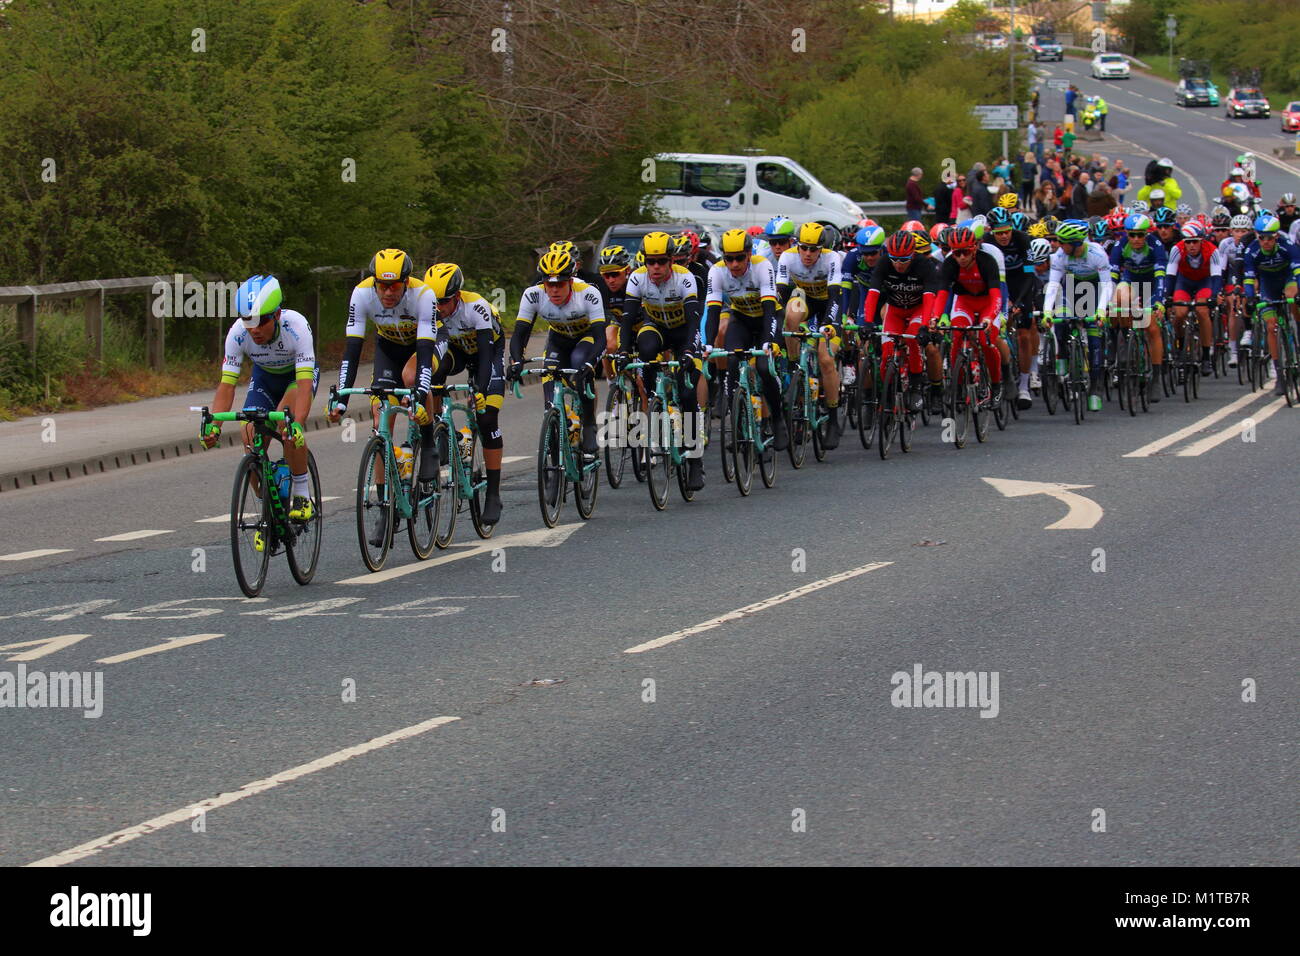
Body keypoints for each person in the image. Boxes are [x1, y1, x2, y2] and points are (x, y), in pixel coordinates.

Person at [203, 275, 318, 526]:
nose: (254, 328)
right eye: (247, 320)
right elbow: (227, 385)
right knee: (248, 432)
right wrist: (215, 425)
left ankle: (301, 492)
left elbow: (304, 383)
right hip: (264, 379)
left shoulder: (296, 326)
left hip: (295, 378)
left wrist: (298, 423)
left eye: (261, 320)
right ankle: (268, 505)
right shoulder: (237, 334)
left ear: (276, 315)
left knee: (285, 424)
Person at [615, 232, 705, 488]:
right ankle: (655, 397)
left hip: (684, 333)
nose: (656, 267)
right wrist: (623, 350)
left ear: (671, 260)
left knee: (688, 393)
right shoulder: (637, 277)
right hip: (655, 327)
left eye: (662, 261)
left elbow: (694, 321)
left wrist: (689, 351)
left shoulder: (685, 278)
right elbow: (628, 318)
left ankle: (695, 460)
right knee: (645, 348)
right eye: (651, 261)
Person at [417, 264, 505, 525]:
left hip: (486, 354)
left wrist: (479, 389)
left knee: (487, 418)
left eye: (444, 301)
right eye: (434, 301)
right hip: (456, 351)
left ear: (457, 295)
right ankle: (442, 430)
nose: (438, 307)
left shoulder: (475, 306)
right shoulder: (428, 311)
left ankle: (492, 493)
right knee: (434, 371)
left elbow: (487, 357)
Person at [509, 248, 607, 455]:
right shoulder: (533, 295)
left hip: (586, 338)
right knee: (549, 380)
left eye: (560, 284)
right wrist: (516, 361)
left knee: (580, 361)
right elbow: (519, 334)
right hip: (558, 340)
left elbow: (600, 338)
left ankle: (589, 424)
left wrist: (591, 364)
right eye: (549, 284)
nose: (554, 290)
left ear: (571, 281)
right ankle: (553, 424)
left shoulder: (588, 293)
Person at [705, 228, 788, 449]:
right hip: (741, 320)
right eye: (729, 258)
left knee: (763, 367)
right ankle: (740, 425)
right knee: (732, 361)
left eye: (739, 258)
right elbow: (713, 312)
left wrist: (769, 340)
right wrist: (707, 343)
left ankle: (778, 419)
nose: (734, 264)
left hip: (767, 320)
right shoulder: (716, 271)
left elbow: (770, 309)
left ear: (749, 254)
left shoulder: (762, 266)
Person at [775, 222, 845, 448]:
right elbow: (781, 295)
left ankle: (833, 418)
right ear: (797, 245)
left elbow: (834, 296)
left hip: (830, 307)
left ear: (821, 249)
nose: (807, 254)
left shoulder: (832, 258)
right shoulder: (787, 257)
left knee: (825, 359)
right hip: (808, 303)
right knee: (791, 313)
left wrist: (828, 324)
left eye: (813, 249)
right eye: (803, 248)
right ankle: (794, 365)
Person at [1109, 213, 1167, 402]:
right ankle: (1126, 339)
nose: (1135, 239)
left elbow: (1160, 277)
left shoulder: (1156, 246)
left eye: (1140, 235)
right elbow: (1113, 277)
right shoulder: (1120, 246)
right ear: (1127, 234)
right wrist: (1108, 303)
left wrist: (1159, 301)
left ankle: (1156, 377)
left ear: (1147, 234)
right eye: (1132, 235)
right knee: (1119, 298)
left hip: (1150, 285)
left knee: (1151, 327)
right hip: (1130, 282)